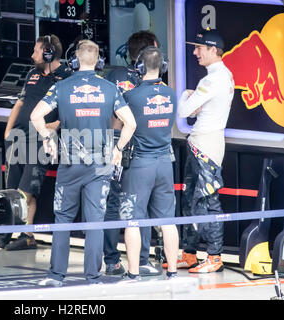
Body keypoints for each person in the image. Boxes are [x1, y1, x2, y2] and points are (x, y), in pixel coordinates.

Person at [31, 40, 136, 286]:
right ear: (99, 62)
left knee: (63, 220)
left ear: (75, 61)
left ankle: (56, 276)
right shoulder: (110, 88)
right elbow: (131, 123)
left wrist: (48, 138)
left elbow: (35, 115)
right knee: (95, 222)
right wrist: (118, 148)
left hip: (70, 164)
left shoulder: (62, 86)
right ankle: (93, 277)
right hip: (100, 164)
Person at [167, 29, 234, 273]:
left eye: (199, 48)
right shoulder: (221, 75)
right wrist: (193, 100)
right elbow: (193, 110)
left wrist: (186, 95)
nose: (195, 52)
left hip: (206, 144)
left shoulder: (212, 79)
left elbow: (184, 111)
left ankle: (215, 256)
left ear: (213, 50)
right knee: (190, 199)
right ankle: (190, 254)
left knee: (207, 199)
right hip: (201, 142)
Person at [0, 34, 70, 250]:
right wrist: (7, 130)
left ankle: (26, 235)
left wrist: (52, 126)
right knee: (12, 190)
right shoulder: (32, 73)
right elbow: (20, 103)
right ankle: (10, 229)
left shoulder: (66, 77)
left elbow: (68, 114)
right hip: (18, 138)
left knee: (27, 191)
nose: (32, 55)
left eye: (36, 51)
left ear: (49, 53)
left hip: (41, 142)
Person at [103, 30, 163, 276]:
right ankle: (142, 261)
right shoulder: (151, 80)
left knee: (111, 203)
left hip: (112, 142)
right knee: (140, 203)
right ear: (151, 52)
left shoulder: (112, 75)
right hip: (141, 145)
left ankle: (111, 262)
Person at [119, 46, 179, 281]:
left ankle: (133, 273)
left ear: (140, 67)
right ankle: (172, 271)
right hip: (165, 163)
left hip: (140, 164)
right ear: (162, 67)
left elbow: (120, 123)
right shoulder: (172, 94)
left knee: (133, 220)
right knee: (168, 221)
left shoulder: (131, 96)